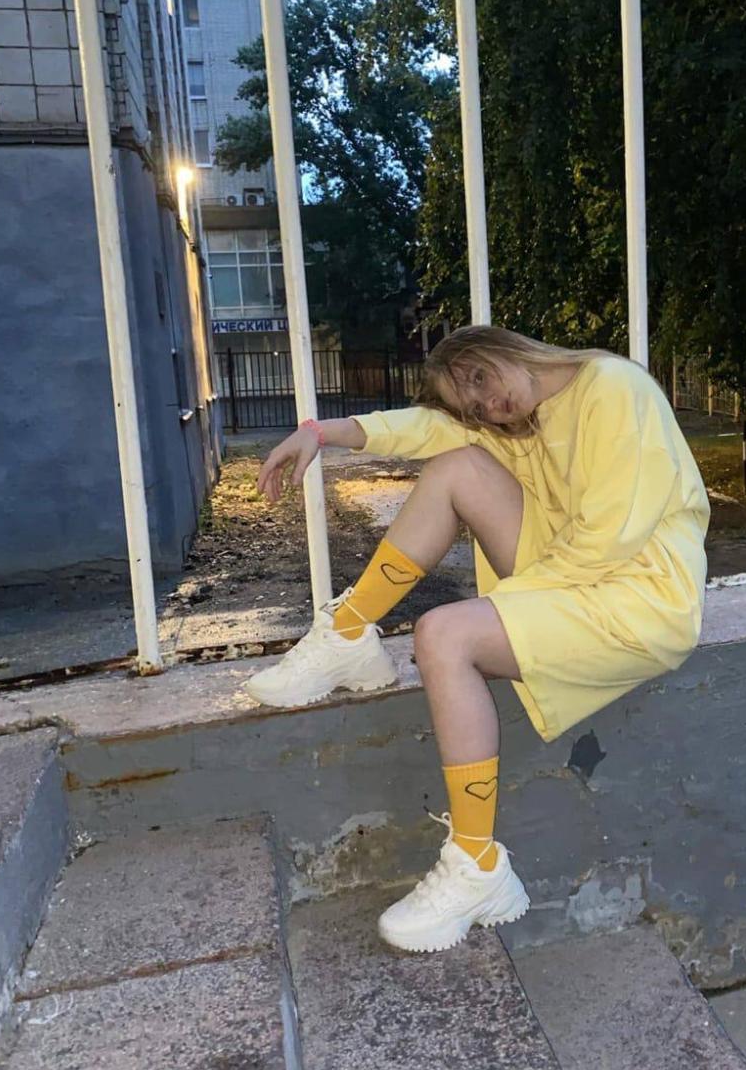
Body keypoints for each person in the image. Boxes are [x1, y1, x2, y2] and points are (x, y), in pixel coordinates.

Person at [244, 327, 711, 953]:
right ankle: (349, 633)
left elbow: (608, 538)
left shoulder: (612, 388)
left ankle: (477, 864)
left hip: (640, 596)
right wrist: (320, 432)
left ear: (503, 350)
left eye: (481, 381)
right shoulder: (518, 422)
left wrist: (502, 607)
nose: (488, 406)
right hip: (579, 574)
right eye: (473, 405)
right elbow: (425, 429)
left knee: (443, 635)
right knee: (455, 468)